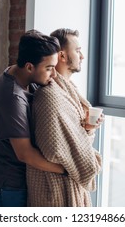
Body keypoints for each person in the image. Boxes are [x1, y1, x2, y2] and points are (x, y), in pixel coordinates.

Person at [0, 29, 67, 207]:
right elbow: (25, 154)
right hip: (8, 187)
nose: (54, 75)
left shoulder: (21, 77)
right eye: (49, 68)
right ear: (29, 67)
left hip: (13, 184)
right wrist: (66, 170)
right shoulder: (11, 98)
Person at [27, 28, 104, 207]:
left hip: (68, 185)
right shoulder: (50, 96)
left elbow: (74, 140)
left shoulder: (69, 92)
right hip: (55, 193)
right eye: (77, 51)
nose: (82, 56)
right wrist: (89, 159)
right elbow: (55, 148)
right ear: (62, 56)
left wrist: (88, 129)